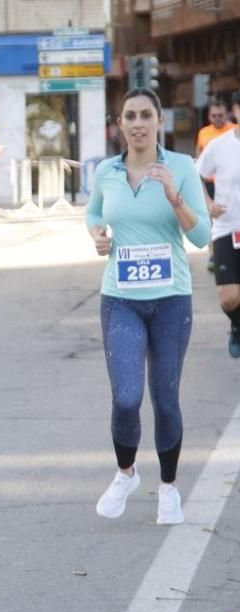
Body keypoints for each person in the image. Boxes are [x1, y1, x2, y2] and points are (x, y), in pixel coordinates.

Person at [86, 88, 210, 525]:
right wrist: (97, 235)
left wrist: (175, 198)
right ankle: (126, 473)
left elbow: (201, 237)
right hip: (120, 299)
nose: (138, 123)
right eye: (130, 116)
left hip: (171, 300)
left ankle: (169, 488)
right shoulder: (106, 172)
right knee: (125, 398)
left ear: (159, 121)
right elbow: (94, 214)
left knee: (165, 399)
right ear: (120, 124)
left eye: (145, 115)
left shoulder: (181, 167)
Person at [197, 90, 240, 358]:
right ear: (236, 110)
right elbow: (196, 174)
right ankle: (236, 324)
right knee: (228, 297)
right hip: (227, 227)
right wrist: (207, 205)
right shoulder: (219, 145)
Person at [195, 102, 235, 271]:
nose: (217, 119)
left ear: (227, 114)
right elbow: (198, 155)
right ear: (209, 116)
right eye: (214, 116)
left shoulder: (234, 130)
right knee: (212, 221)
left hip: (228, 185)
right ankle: (213, 254)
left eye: (220, 115)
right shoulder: (204, 133)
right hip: (209, 184)